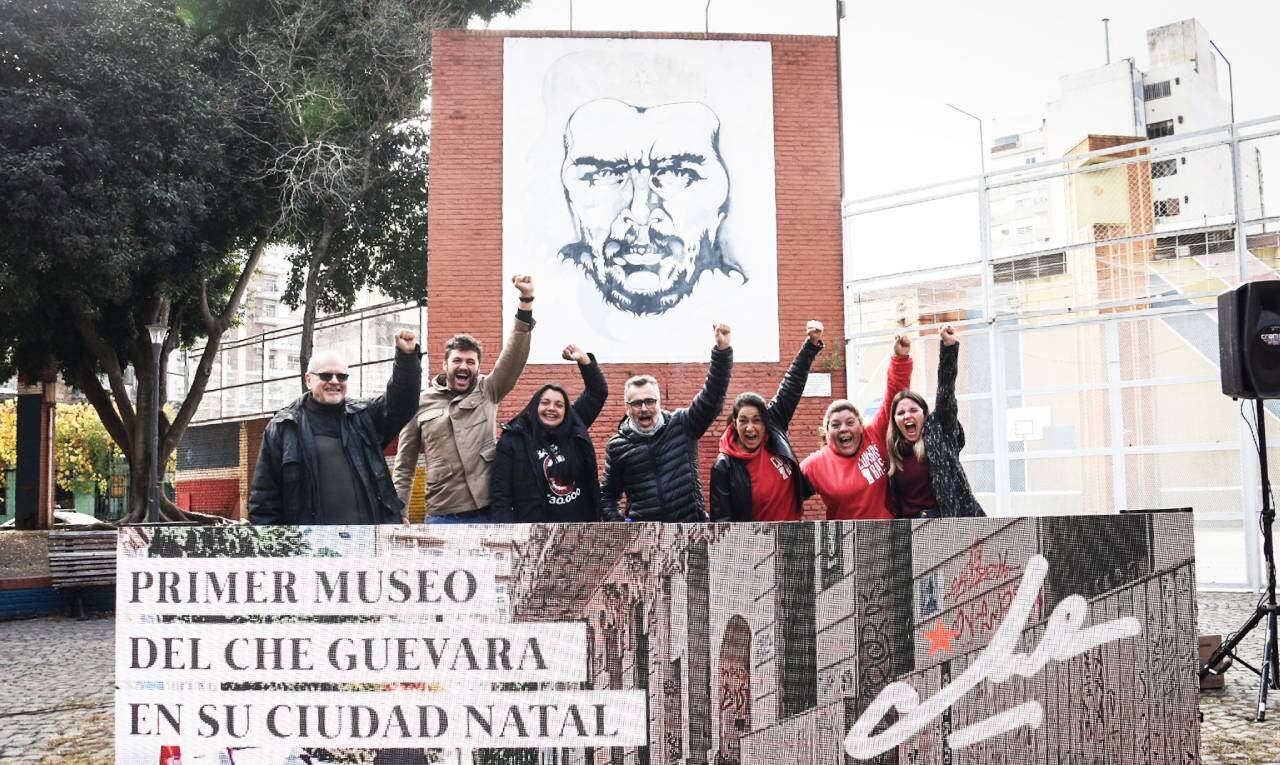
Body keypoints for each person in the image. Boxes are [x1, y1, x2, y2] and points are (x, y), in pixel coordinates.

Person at [558, 98, 740, 316]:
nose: (640, 213)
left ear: (718, 206)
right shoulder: (550, 300)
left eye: (677, 173)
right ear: (572, 202)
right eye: (605, 174)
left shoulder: (743, 307)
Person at [392, 276, 536, 523]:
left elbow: (513, 358)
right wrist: (397, 512)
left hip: (489, 513)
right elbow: (404, 466)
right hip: (442, 516)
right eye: (457, 360)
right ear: (444, 364)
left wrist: (525, 302)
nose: (463, 366)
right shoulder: (419, 404)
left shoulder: (488, 390)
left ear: (478, 367)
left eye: (470, 362)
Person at [249, 330, 421, 525]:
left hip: (368, 545)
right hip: (310, 548)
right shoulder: (283, 427)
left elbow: (402, 403)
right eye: (325, 375)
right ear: (308, 380)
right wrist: (276, 548)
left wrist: (406, 358)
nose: (334, 381)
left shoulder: (364, 417)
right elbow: (264, 500)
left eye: (342, 376)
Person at [601, 323, 733, 521]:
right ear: (627, 408)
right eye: (637, 403)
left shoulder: (682, 424)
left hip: (691, 532)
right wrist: (623, 530)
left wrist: (722, 353)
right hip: (647, 541)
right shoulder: (617, 446)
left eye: (649, 401)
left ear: (659, 402)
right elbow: (607, 497)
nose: (644, 408)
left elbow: (712, 397)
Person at [710, 321, 825, 522]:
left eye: (757, 420)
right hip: (756, 547)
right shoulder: (724, 466)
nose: (750, 427)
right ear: (734, 423)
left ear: (766, 422)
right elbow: (721, 522)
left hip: (793, 539)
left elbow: (792, 385)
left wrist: (811, 345)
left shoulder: (775, 427)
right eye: (743, 420)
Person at [490, 344, 608, 523]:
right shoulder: (513, 441)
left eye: (559, 405)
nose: (551, 409)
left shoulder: (574, 425)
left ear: (566, 410)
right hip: (535, 535)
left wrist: (584, 360)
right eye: (545, 403)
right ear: (534, 406)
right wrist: (507, 534)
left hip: (580, 531)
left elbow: (597, 392)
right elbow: (501, 496)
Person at [800, 334, 913, 521]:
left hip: (887, 538)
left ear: (861, 426)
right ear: (827, 434)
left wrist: (899, 358)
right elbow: (785, 493)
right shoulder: (815, 465)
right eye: (835, 425)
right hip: (845, 544)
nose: (843, 428)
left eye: (850, 422)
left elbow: (894, 396)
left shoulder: (873, 436)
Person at [887, 325, 986, 519]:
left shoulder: (939, 434)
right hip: (910, 532)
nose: (907, 416)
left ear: (925, 416)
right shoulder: (893, 453)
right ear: (894, 420)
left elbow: (946, 392)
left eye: (913, 410)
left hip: (947, 524)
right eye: (901, 413)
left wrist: (948, 347)